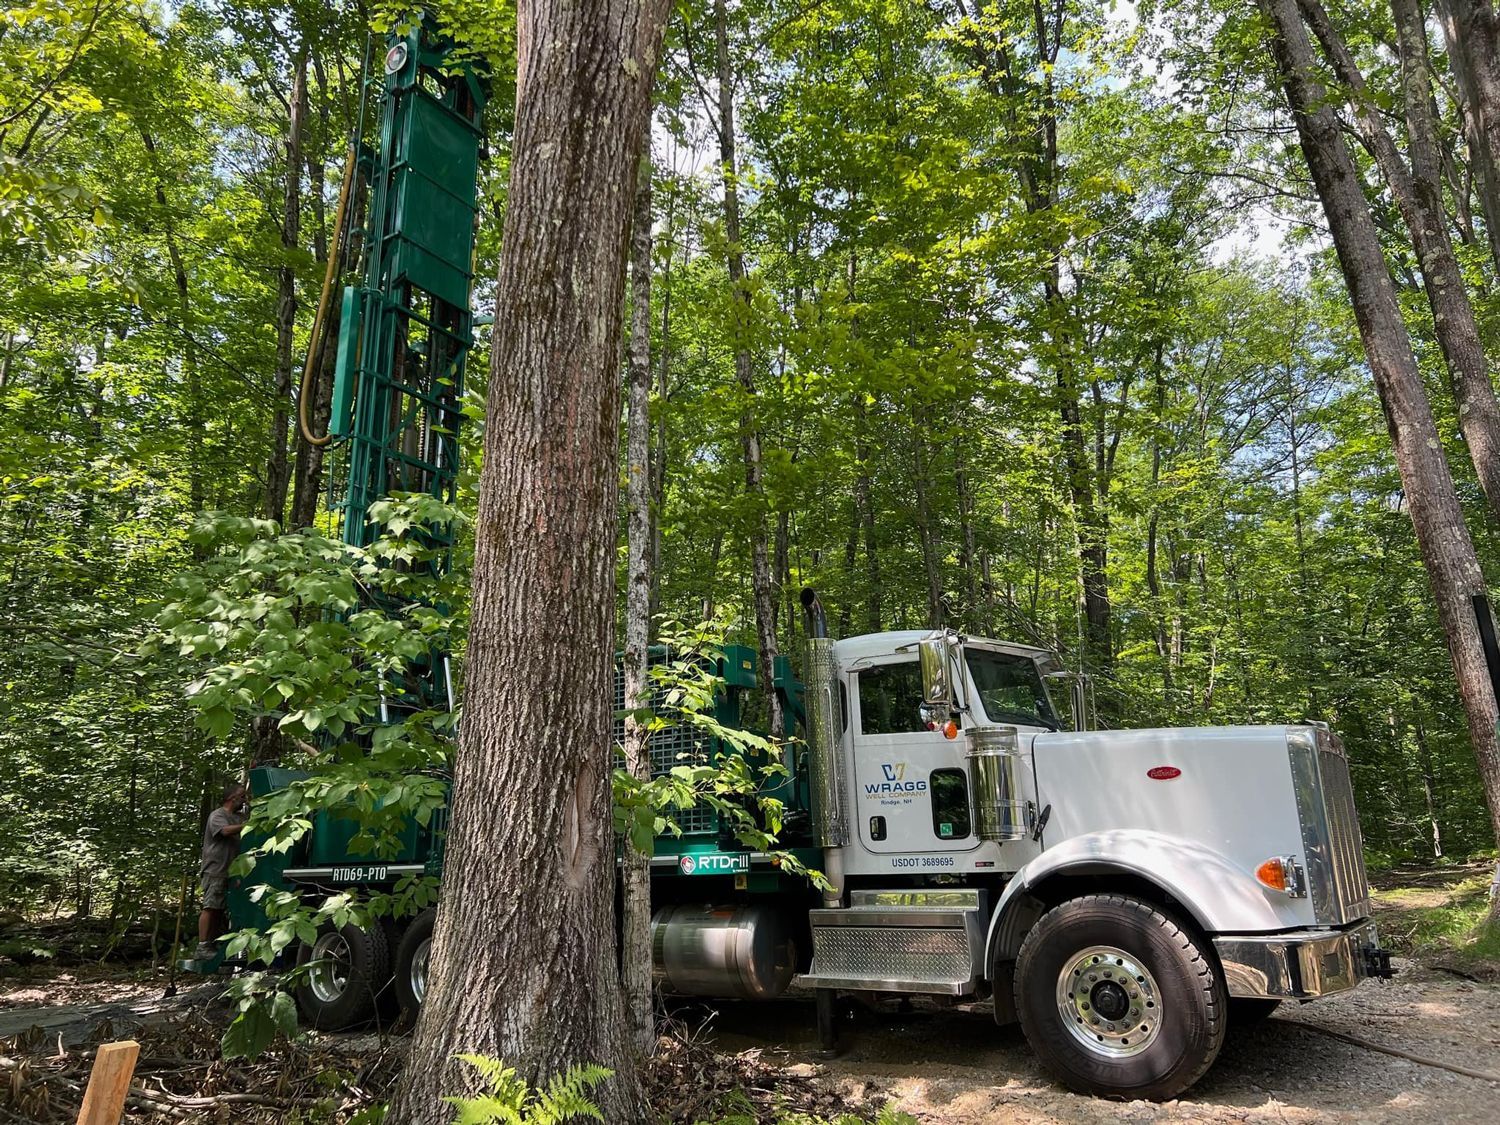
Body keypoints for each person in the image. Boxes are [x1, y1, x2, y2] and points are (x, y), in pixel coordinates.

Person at [195, 782, 248, 960]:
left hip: (232, 870)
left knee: (220, 909)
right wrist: (248, 825)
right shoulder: (217, 815)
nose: (244, 800)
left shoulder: (240, 817)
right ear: (232, 798)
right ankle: (202, 946)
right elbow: (224, 831)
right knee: (210, 907)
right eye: (242, 796)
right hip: (216, 869)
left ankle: (214, 943)